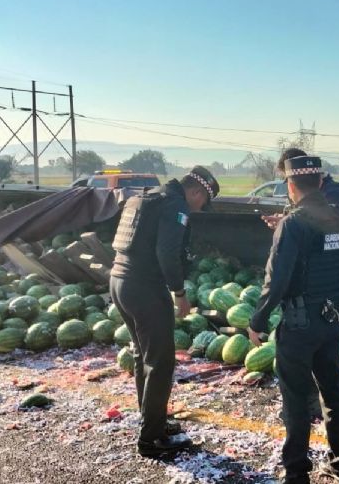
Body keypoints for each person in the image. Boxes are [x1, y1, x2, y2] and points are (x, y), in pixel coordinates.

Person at [248, 155, 339, 484]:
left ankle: (296, 472)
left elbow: (276, 280)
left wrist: (258, 319)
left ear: (291, 185)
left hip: (299, 324)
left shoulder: (293, 224)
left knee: (295, 399)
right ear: (321, 183)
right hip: (333, 319)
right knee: (333, 394)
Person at [109, 166, 219, 458]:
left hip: (119, 281)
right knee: (160, 361)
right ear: (196, 192)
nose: (198, 208)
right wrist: (179, 293)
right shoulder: (175, 205)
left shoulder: (151, 197)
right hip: (144, 287)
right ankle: (151, 439)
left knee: (143, 355)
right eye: (201, 202)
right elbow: (166, 252)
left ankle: (153, 421)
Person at [262, 148, 339, 229]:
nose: (290, 186)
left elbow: (333, 230)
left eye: (289, 180)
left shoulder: (334, 194)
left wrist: (288, 225)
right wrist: (285, 220)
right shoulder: (307, 195)